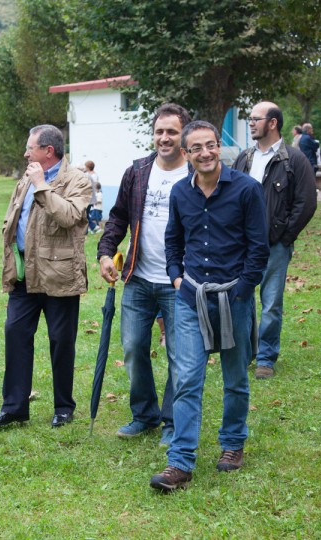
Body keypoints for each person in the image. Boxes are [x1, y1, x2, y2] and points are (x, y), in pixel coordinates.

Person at [149, 120, 269, 492]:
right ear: (186, 153)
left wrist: (243, 290)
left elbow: (258, 247)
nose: (205, 153)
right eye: (197, 147)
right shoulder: (180, 193)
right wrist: (175, 276)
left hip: (233, 296)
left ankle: (232, 443)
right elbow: (173, 240)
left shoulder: (247, 189)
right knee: (186, 378)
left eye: (211, 145)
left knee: (235, 378)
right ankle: (180, 462)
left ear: (220, 147)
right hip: (190, 298)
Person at [0, 125, 91, 429]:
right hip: (25, 275)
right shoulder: (25, 180)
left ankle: (63, 407)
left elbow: (69, 216)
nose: (25, 153)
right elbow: (14, 220)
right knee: (15, 334)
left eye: (30, 147)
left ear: (48, 150)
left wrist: (42, 185)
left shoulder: (77, 180)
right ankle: (15, 407)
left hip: (59, 275)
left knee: (61, 341)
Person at [98, 103, 192, 444]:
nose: (164, 138)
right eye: (159, 131)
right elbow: (118, 216)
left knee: (180, 355)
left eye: (172, 131)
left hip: (179, 281)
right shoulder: (137, 172)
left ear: (184, 135)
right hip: (138, 277)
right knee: (134, 347)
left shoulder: (196, 173)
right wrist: (106, 252)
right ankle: (145, 414)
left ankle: (171, 421)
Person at [232, 101, 317, 379]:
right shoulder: (244, 158)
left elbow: (306, 203)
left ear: (273, 123)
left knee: (270, 303)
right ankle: (243, 354)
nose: (251, 123)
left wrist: (284, 235)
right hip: (242, 244)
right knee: (241, 298)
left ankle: (266, 358)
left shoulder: (294, 159)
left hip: (275, 245)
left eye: (256, 118)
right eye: (250, 118)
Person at [85, 160, 101, 234]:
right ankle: (89, 229)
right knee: (86, 214)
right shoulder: (95, 175)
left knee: (85, 215)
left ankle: (94, 227)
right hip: (92, 197)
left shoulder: (88, 175)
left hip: (88, 197)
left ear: (88, 167)